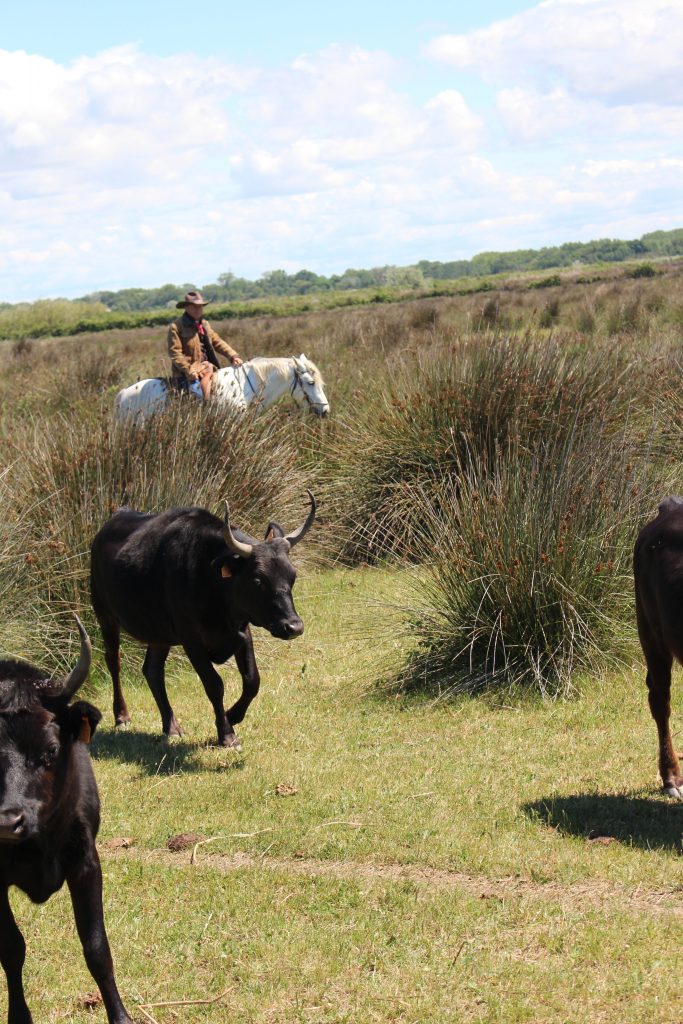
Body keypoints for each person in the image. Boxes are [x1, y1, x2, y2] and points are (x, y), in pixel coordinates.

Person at [167, 290, 243, 399]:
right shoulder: (177, 327)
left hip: (208, 368)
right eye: (194, 306)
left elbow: (217, 341)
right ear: (187, 308)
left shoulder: (205, 324)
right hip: (187, 373)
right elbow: (175, 353)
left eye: (200, 306)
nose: (198, 309)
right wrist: (188, 369)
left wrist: (233, 356)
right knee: (197, 395)